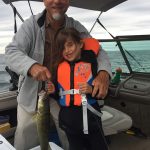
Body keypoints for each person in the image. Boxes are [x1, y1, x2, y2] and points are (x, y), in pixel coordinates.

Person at [5, 0, 112, 149]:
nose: (56, 1)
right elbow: (11, 52)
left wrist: (104, 73)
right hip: (31, 95)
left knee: (68, 135)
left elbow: (98, 51)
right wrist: (32, 66)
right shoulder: (31, 25)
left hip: (60, 94)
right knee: (24, 137)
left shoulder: (76, 27)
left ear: (68, 2)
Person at [47, 27, 109, 150]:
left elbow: (105, 92)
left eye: (70, 45)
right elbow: (60, 96)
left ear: (80, 44)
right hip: (69, 122)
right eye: (63, 48)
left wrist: (91, 90)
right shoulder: (59, 67)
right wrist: (53, 91)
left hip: (91, 120)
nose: (67, 51)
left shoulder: (92, 64)